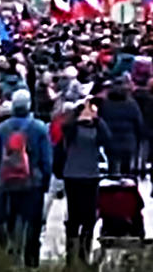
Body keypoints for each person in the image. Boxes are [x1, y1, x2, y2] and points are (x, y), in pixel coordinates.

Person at [0, 89, 52, 268]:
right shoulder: (39, 128)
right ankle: (31, 261)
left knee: (8, 220)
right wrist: (45, 181)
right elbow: (46, 159)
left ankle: (8, 257)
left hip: (7, 183)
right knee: (32, 223)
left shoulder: (2, 129)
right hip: (32, 183)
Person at [59, 99, 113, 264]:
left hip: (90, 175)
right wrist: (78, 117)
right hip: (73, 175)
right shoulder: (72, 128)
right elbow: (65, 129)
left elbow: (108, 139)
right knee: (74, 216)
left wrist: (97, 119)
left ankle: (83, 254)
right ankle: (71, 255)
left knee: (89, 218)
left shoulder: (96, 128)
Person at [98, 81, 144, 176]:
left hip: (110, 138)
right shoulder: (132, 104)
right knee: (126, 166)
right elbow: (138, 122)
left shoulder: (105, 104)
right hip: (128, 138)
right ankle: (126, 184)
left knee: (112, 163)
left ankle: (112, 182)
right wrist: (139, 137)